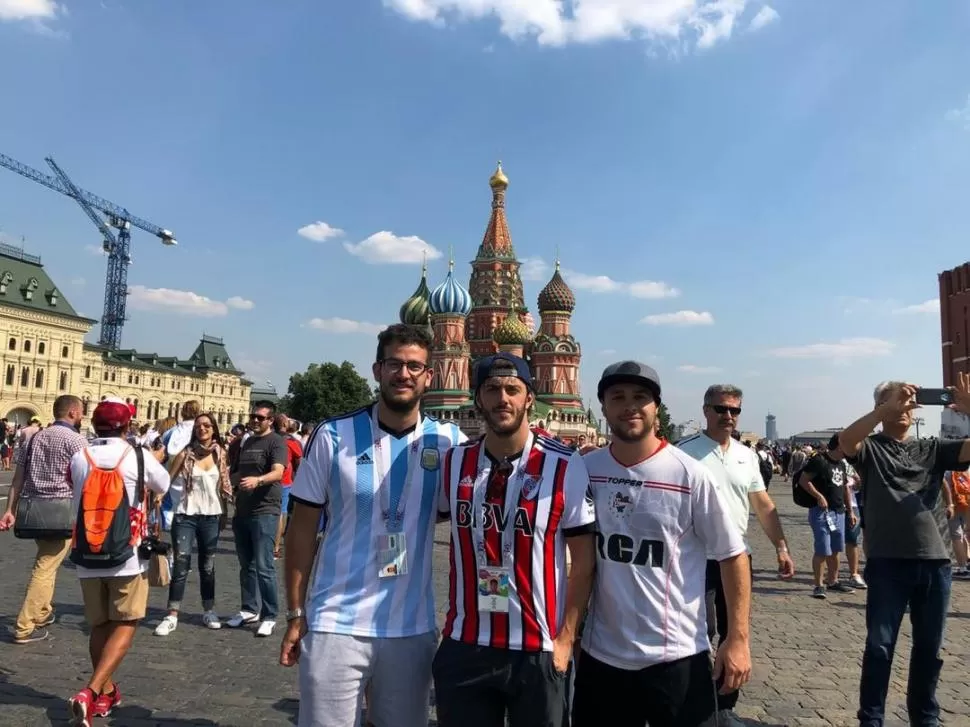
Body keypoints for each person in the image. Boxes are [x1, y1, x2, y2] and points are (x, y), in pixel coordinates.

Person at [280, 324, 466, 727]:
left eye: (415, 366)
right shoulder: (333, 435)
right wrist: (296, 612)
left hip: (410, 628)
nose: (404, 374)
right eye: (395, 364)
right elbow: (301, 529)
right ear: (377, 370)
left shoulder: (450, 441)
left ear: (429, 376)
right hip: (336, 623)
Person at [573, 362, 751, 727]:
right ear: (603, 407)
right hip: (602, 655)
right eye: (617, 397)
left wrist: (737, 639)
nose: (629, 406)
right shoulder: (584, 470)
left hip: (676, 657)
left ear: (656, 407)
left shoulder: (689, 475)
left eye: (640, 397)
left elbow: (733, 556)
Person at [433, 353, 596, 727]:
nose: (502, 398)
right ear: (478, 399)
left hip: (537, 649)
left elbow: (584, 562)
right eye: (491, 389)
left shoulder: (564, 464)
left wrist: (567, 638)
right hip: (465, 641)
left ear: (529, 397)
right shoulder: (455, 462)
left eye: (512, 389)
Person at [839, 378, 970, 727]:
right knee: (880, 646)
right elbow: (845, 442)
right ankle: (872, 718)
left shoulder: (933, 448)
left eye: (907, 401)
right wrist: (884, 408)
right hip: (887, 563)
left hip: (936, 562)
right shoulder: (871, 448)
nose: (903, 406)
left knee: (929, 649)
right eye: (893, 401)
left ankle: (925, 717)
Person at [677, 384, 794, 726]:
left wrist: (782, 547)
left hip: (737, 558)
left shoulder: (748, 456)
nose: (728, 416)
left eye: (734, 410)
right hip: (695, 557)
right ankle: (694, 701)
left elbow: (763, 506)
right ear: (706, 411)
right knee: (698, 632)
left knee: (734, 632)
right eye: (721, 409)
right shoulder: (685, 453)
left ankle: (724, 706)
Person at [66, 398, 171, 726]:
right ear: (127, 426)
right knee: (125, 623)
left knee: (99, 625)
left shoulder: (79, 455)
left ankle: (106, 693)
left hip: (86, 553)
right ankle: (91, 691)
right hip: (127, 555)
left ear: (94, 425)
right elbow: (163, 485)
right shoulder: (136, 455)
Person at [0, 395, 87, 644]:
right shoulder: (77, 440)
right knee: (45, 567)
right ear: (72, 413)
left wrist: (10, 510)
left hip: (34, 509)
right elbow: (86, 479)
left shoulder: (36, 436)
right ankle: (24, 625)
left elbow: (19, 477)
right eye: (81, 412)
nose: (81, 416)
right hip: (61, 510)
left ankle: (44, 611)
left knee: (47, 562)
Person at [154, 412, 233, 635]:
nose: (203, 429)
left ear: (214, 429)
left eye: (207, 425)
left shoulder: (220, 454)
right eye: (199, 426)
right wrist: (159, 496)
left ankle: (208, 610)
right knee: (181, 565)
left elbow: (223, 486)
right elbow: (166, 480)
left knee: (208, 566)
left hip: (211, 515)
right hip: (185, 515)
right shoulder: (184, 454)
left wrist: (225, 512)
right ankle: (172, 614)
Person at [227, 400, 287, 636]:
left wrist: (258, 481)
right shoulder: (248, 441)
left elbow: (278, 472)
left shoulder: (277, 442)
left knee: (264, 566)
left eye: (260, 417)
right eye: (253, 416)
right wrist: (228, 482)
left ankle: (270, 614)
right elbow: (241, 471)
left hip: (265, 508)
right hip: (243, 508)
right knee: (246, 565)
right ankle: (249, 608)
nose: (254, 420)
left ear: (270, 420)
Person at [797, 433, 856, 599]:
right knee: (822, 549)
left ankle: (833, 581)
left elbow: (845, 488)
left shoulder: (842, 464)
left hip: (839, 511)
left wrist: (850, 511)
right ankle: (818, 585)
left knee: (836, 549)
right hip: (821, 512)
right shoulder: (819, 461)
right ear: (839, 444)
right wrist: (818, 495)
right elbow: (804, 480)